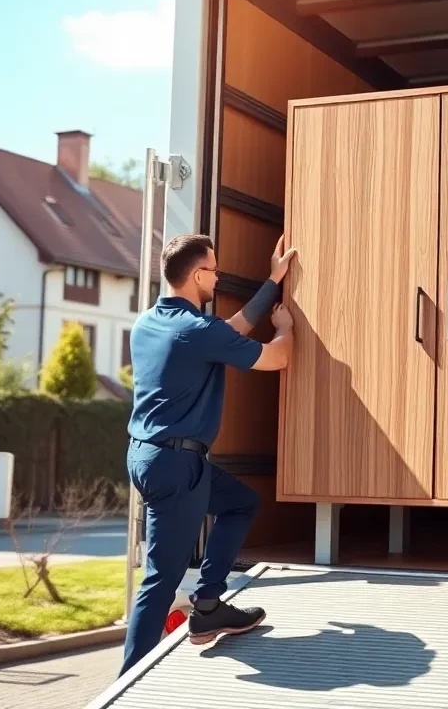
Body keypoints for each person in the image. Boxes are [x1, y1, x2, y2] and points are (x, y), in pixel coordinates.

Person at [119, 233, 297, 676]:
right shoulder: (196, 331)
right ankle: (128, 682)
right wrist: (285, 329)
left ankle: (210, 606)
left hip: (149, 456)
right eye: (214, 270)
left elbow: (230, 330)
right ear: (197, 275)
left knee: (241, 503)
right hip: (177, 464)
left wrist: (273, 281)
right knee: (161, 578)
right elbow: (277, 359)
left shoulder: (149, 324)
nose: (218, 278)